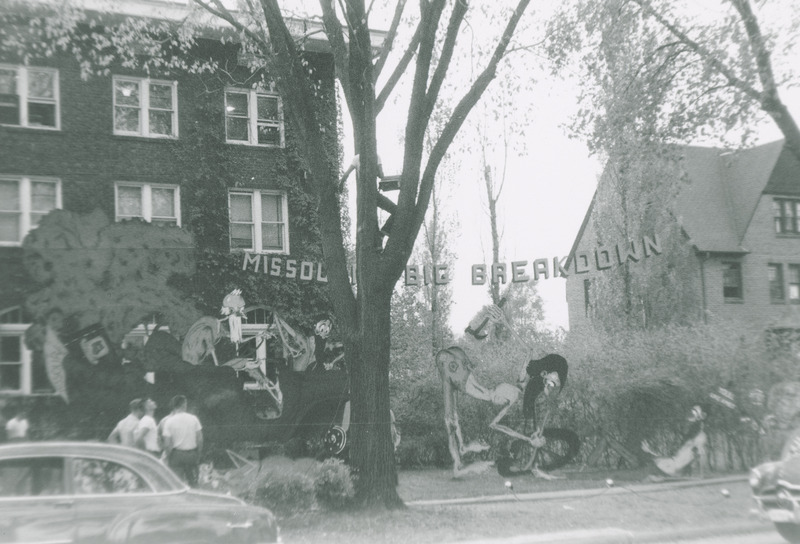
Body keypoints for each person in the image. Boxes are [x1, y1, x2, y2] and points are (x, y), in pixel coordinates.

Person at [161, 395, 203, 486]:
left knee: (176, 483)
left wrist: (168, 456)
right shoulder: (193, 419)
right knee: (193, 482)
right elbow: (199, 439)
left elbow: (167, 443)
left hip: (176, 455)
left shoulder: (169, 421)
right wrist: (198, 453)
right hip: (191, 454)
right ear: (184, 404)